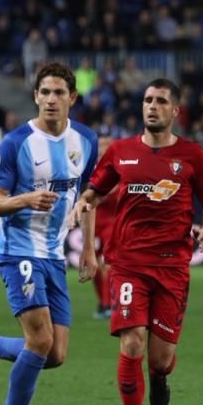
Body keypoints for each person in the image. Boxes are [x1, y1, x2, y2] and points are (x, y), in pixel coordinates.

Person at [68, 78, 203, 405]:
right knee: (132, 342)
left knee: (161, 357)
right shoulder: (121, 152)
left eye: (161, 101)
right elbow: (94, 191)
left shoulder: (192, 156)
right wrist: (84, 209)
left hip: (172, 267)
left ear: (175, 111)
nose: (152, 106)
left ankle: (159, 375)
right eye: (148, 100)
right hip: (128, 264)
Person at [0, 62, 99, 405]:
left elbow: (88, 198)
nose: (51, 100)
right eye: (45, 92)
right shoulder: (16, 143)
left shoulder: (85, 140)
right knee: (39, 342)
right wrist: (25, 199)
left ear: (72, 98)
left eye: (59, 93)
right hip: (19, 249)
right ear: (36, 96)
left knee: (55, 354)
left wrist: (88, 246)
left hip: (54, 255)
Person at [90, 135, 117, 320]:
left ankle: (109, 305)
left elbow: (119, 188)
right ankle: (102, 302)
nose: (104, 147)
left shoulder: (119, 166)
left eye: (108, 144)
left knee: (108, 264)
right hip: (93, 223)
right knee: (93, 265)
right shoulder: (90, 167)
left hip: (112, 223)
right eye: (101, 144)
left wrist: (101, 191)